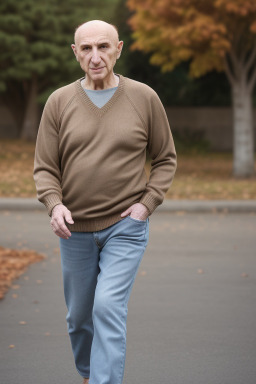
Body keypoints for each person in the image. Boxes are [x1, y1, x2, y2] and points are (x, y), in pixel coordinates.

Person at [33, 19, 177, 384]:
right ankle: (89, 373)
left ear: (119, 49)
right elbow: (45, 168)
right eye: (86, 48)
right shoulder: (59, 102)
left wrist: (146, 204)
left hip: (125, 227)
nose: (95, 57)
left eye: (103, 47)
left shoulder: (144, 97)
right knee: (79, 318)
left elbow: (165, 159)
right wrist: (55, 204)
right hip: (75, 231)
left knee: (108, 306)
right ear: (75, 53)